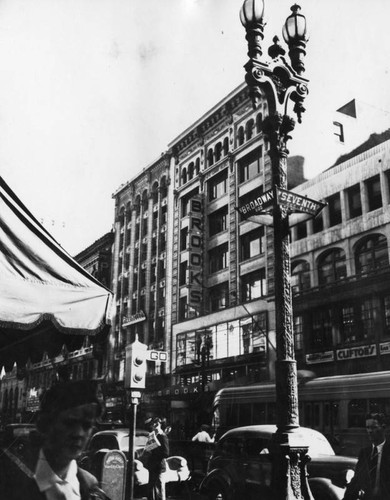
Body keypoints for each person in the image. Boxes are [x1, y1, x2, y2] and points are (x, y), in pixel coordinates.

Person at [0, 380, 110, 500]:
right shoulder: (11, 481)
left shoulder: (90, 487)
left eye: (87, 425)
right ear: (45, 424)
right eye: (69, 423)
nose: (78, 433)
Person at [343, 412, 390, 500]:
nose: (369, 431)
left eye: (374, 427)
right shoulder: (364, 453)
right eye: (367, 427)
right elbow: (356, 481)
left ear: (384, 428)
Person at [142, 416, 169, 500]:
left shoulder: (162, 436)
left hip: (158, 466)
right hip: (153, 466)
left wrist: (155, 449)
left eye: (154, 425)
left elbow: (166, 453)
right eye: (152, 426)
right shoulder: (154, 435)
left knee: (159, 491)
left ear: (158, 424)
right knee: (152, 490)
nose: (152, 427)